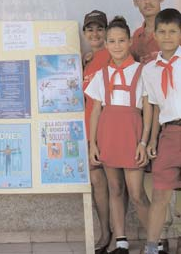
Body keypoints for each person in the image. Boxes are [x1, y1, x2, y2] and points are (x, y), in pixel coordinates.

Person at [86, 16, 151, 254]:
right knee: (115, 189)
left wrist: (144, 142)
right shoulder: (101, 75)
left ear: (129, 41)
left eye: (121, 40)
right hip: (108, 137)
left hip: (132, 136)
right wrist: (93, 143)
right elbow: (95, 111)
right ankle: (121, 240)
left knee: (136, 193)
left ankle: (156, 240)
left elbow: (149, 109)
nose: (116, 45)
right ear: (106, 44)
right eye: (111, 41)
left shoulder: (142, 72)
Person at [132, 0, 175, 252]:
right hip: (157, 125)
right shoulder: (135, 38)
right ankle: (155, 243)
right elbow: (151, 102)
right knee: (159, 188)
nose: (147, 2)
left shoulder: (173, 32)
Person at [142, 8, 181, 254]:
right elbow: (155, 107)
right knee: (160, 195)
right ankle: (151, 247)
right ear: (155, 34)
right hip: (169, 134)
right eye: (162, 31)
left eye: (173, 31)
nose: (167, 36)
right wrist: (152, 139)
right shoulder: (150, 70)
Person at [82, 10, 113, 254]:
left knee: (114, 186)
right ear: (84, 33)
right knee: (97, 184)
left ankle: (114, 235)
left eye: (99, 29)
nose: (95, 33)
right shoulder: (88, 59)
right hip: (88, 132)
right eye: (90, 29)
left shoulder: (112, 55)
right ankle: (106, 232)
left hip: (106, 132)